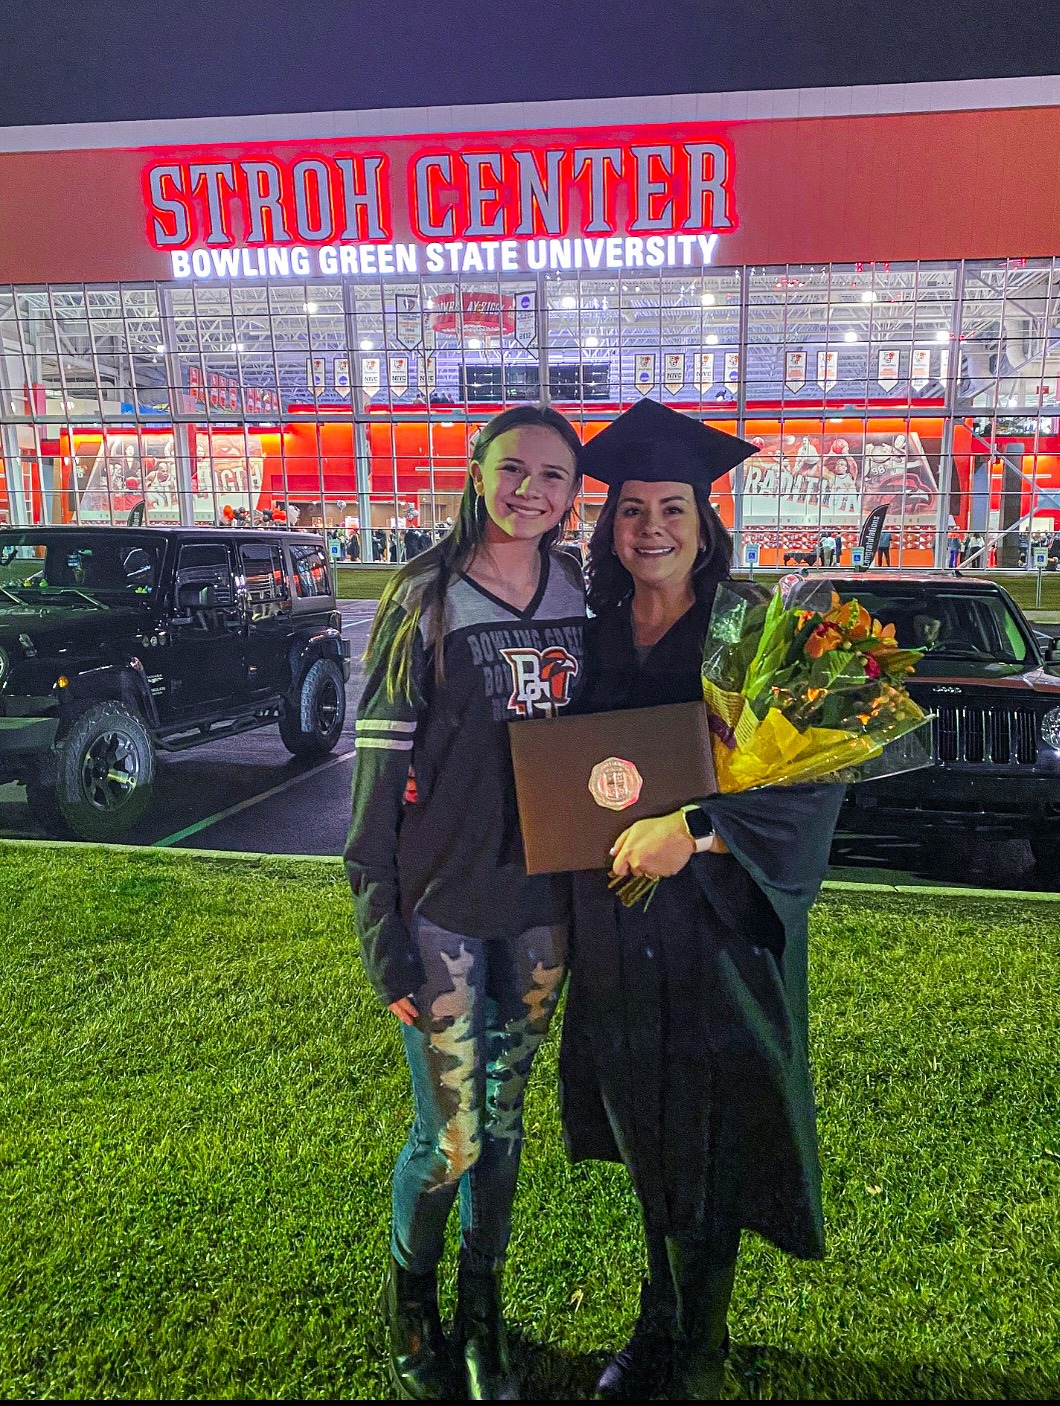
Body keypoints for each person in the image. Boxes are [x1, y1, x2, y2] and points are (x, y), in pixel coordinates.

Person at [561, 399, 845, 1400]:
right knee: (645, 1124)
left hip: (717, 925)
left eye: (671, 507)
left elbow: (814, 776)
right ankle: (659, 1317)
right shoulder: (589, 632)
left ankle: (697, 1346)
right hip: (614, 919)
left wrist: (697, 828)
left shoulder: (751, 628)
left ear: (704, 518)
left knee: (710, 1131)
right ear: (610, 523)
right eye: (631, 508)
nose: (651, 527)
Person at [344, 405, 587, 1401]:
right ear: (477, 472)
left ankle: (482, 1311)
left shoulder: (581, 592)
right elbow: (375, 778)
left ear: (573, 495)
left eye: (554, 475)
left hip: (542, 909)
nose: (531, 489)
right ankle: (413, 1307)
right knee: (449, 1135)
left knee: (506, 1121)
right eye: (513, 467)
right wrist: (381, 930)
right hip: (442, 906)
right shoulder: (426, 594)